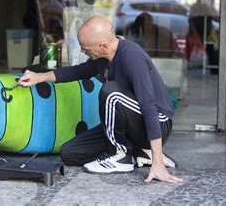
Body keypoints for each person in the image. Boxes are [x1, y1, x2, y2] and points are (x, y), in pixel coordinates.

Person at [18, 16, 183, 183]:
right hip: (129, 125)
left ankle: (120, 156)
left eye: (85, 48)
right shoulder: (103, 58)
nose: (83, 52)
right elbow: (76, 72)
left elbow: (149, 107)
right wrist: (38, 77)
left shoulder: (132, 57)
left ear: (103, 46)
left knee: (110, 91)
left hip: (157, 123)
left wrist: (158, 163)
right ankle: (139, 151)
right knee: (70, 153)